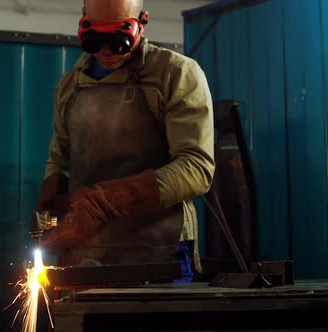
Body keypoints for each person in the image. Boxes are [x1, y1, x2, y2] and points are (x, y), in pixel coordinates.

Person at [31, 0, 215, 282]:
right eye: (95, 40)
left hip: (161, 257)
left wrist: (102, 203)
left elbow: (197, 168)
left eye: (118, 40)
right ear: (83, 20)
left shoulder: (175, 74)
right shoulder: (70, 85)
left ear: (142, 20)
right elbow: (59, 157)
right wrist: (51, 193)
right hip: (86, 258)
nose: (105, 50)